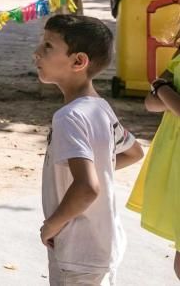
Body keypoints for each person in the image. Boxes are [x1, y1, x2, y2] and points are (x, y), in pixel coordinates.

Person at [34, 14, 145, 285]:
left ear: (78, 61)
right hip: (102, 245)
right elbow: (133, 152)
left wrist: (53, 225)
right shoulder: (100, 107)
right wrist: (100, 167)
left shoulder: (69, 117)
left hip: (76, 250)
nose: (37, 52)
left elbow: (87, 187)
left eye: (48, 46)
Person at [127, 20, 180, 281]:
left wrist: (161, 87)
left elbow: (164, 98)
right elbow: (151, 104)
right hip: (174, 156)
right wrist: (163, 92)